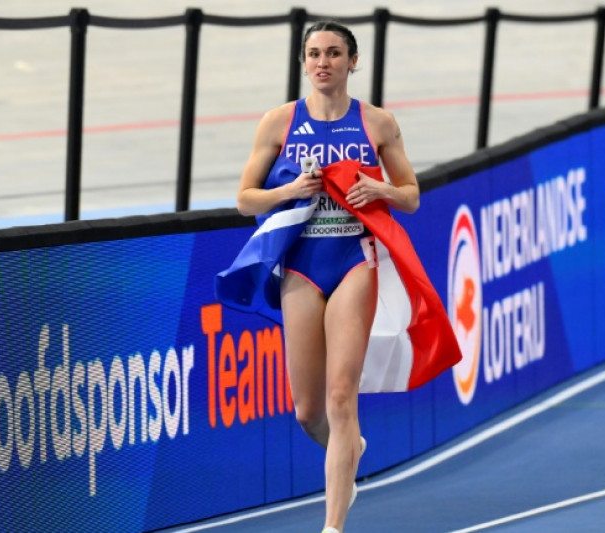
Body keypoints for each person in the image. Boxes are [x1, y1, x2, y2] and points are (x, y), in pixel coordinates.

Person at [233, 20, 422, 533]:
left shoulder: (377, 123)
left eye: (334, 53)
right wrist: (289, 192)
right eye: (314, 53)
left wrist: (377, 190)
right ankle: (350, 447)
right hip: (300, 268)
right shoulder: (279, 122)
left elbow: (411, 194)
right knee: (308, 410)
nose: (323, 62)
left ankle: (332, 526)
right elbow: (245, 197)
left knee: (342, 397)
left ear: (351, 62)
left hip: (354, 263)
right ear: (303, 62)